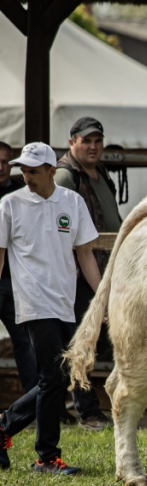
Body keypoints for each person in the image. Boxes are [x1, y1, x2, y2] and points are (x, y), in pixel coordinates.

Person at [0, 143, 101, 473]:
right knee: (53, 377)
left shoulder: (72, 202)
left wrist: (101, 298)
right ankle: (46, 457)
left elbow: (85, 253)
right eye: (23, 170)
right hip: (33, 302)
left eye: (33, 170)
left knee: (57, 378)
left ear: (50, 171)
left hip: (65, 304)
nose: (26, 176)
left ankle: (4, 427)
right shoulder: (9, 205)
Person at [54, 116, 117, 431]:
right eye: (86, 141)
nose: (93, 147)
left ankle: (74, 406)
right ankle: (87, 411)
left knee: (100, 339)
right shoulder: (65, 177)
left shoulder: (99, 172)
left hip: (104, 269)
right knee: (83, 341)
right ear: (72, 142)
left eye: (97, 141)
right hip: (79, 276)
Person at [0, 142, 37, 394]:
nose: (1, 167)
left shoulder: (20, 194)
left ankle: (37, 404)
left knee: (25, 342)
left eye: (5, 162)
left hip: (14, 281)